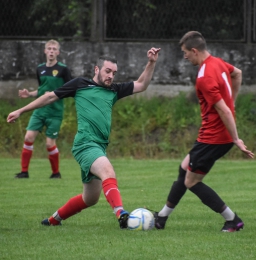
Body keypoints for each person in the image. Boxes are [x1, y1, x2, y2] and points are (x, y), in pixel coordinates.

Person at [7, 47, 161, 229]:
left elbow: (142, 84)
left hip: (99, 147)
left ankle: (53, 219)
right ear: (97, 69)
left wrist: (151, 62)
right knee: (108, 172)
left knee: (90, 198)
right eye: (107, 71)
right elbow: (49, 97)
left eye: (114, 73)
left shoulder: (114, 90)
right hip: (85, 144)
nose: (111, 76)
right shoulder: (80, 84)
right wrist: (21, 110)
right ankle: (122, 215)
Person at [153, 31, 254, 232]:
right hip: (214, 135)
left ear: (194, 50)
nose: (184, 57)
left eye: (185, 53)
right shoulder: (217, 62)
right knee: (184, 169)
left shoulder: (204, 77)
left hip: (214, 137)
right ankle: (162, 218)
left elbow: (224, 111)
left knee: (191, 181)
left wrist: (236, 139)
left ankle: (233, 220)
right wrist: (231, 100)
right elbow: (238, 73)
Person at [15, 39, 72, 179]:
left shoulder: (63, 69)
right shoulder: (40, 68)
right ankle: (24, 172)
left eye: (54, 49)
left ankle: (56, 173)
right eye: (49, 49)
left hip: (55, 112)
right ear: (45, 51)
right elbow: (41, 91)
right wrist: (29, 94)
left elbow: (70, 89)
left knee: (49, 143)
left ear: (58, 52)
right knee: (28, 137)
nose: (51, 51)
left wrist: (54, 95)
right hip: (40, 110)